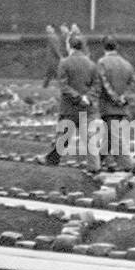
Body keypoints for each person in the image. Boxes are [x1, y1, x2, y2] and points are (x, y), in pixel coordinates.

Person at [43, 33, 101, 169]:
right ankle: (95, 167)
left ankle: (51, 162)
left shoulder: (64, 63)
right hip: (87, 108)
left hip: (69, 108)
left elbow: (63, 85)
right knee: (90, 140)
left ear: (70, 46)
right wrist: (88, 98)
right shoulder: (92, 64)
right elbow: (97, 85)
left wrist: (78, 97)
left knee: (62, 138)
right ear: (82, 47)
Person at [96, 36, 135, 170]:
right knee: (110, 135)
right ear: (117, 47)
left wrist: (114, 97)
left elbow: (104, 83)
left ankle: (126, 164)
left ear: (103, 47)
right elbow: (134, 84)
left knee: (115, 136)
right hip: (122, 107)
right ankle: (98, 161)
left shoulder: (102, 62)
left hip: (108, 106)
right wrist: (124, 98)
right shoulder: (126, 64)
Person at [42, 24, 66, 88]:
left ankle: (45, 86)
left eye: (49, 28)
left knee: (52, 73)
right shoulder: (52, 36)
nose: (47, 30)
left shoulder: (52, 37)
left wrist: (60, 57)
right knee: (53, 73)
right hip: (53, 59)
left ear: (53, 29)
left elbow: (55, 48)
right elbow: (56, 48)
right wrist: (61, 57)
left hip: (53, 59)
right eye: (47, 28)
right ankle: (60, 86)